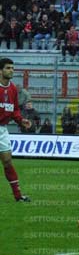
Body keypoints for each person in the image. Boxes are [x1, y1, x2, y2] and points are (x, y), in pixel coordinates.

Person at [0, 58, 31, 202]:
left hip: (2, 129)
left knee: (7, 161)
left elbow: (15, 110)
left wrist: (21, 120)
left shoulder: (12, 89)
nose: (11, 70)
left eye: (12, 68)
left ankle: (18, 196)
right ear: (0, 71)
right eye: (8, 68)